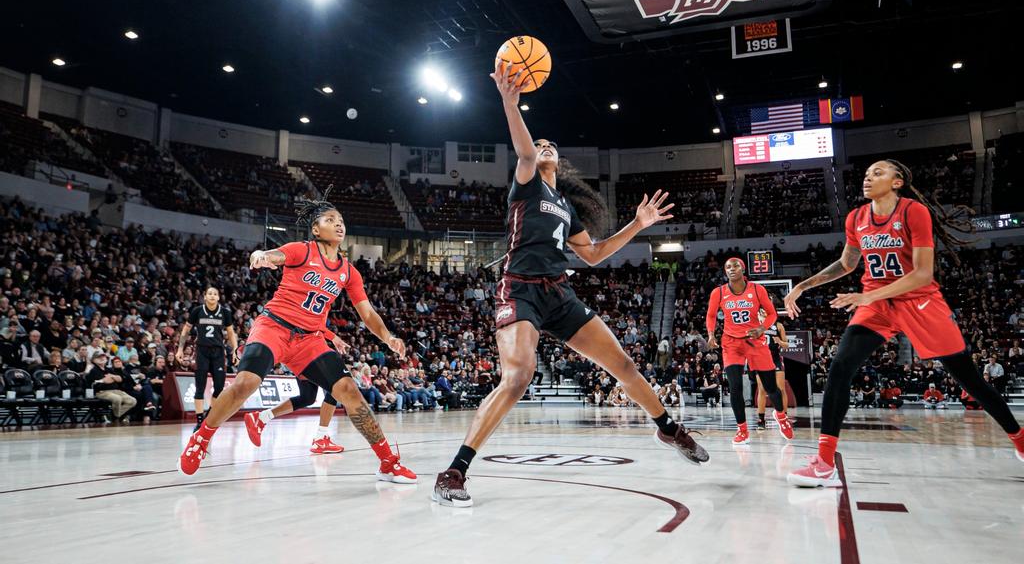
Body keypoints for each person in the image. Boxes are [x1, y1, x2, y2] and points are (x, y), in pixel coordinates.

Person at [432, 62, 708, 508]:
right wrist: (508, 101)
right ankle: (455, 471)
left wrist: (638, 225)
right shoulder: (525, 186)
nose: (543, 147)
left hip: (558, 292)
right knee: (519, 375)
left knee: (623, 365)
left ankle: (668, 428)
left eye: (549, 145)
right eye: (539, 143)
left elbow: (594, 254)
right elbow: (523, 152)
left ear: (560, 161)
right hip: (519, 288)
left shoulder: (565, 206)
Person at [785, 159, 1024, 487]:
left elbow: (923, 273)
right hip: (877, 304)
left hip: (919, 301)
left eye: (878, 173)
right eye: (867, 174)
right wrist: (802, 286)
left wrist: (868, 297)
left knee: (969, 380)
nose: (868, 178)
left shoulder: (913, 212)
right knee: (840, 367)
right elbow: (847, 263)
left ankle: (1020, 440)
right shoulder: (857, 217)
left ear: (897, 182)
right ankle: (824, 462)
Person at [178, 186, 417, 483]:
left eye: (341, 219)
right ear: (316, 229)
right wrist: (262, 256)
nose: (339, 223)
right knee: (245, 383)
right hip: (274, 327)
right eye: (331, 219)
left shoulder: (348, 272)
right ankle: (201, 438)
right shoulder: (301, 249)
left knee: (348, 391)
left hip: (310, 339)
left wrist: (388, 337)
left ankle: (387, 462)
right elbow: (275, 255)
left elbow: (367, 313)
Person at [706, 258, 794, 445]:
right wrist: (711, 334)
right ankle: (742, 429)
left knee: (771, 388)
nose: (731, 269)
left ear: (743, 269)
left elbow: (772, 314)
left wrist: (762, 329)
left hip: (755, 341)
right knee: (735, 387)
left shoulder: (756, 289)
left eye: (735, 265)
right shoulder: (719, 292)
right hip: (731, 343)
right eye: (728, 266)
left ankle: (781, 416)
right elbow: (711, 315)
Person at [176, 286, 239, 430]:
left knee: (219, 388)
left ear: (218, 298)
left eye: (215, 294)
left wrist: (235, 349)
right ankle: (199, 422)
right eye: (209, 293)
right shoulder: (197, 311)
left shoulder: (225, 312)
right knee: (200, 387)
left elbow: (230, 333)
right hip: (202, 351)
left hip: (218, 352)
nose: (212, 296)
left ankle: (209, 415)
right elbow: (186, 329)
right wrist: (180, 349)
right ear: (205, 297)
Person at [755, 306, 789, 429]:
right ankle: (761, 419)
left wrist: (779, 342)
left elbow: (786, 345)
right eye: (762, 309)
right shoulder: (756, 324)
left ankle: (784, 417)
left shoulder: (778, 325)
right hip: (761, 359)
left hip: (775, 359)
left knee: (781, 389)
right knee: (762, 389)